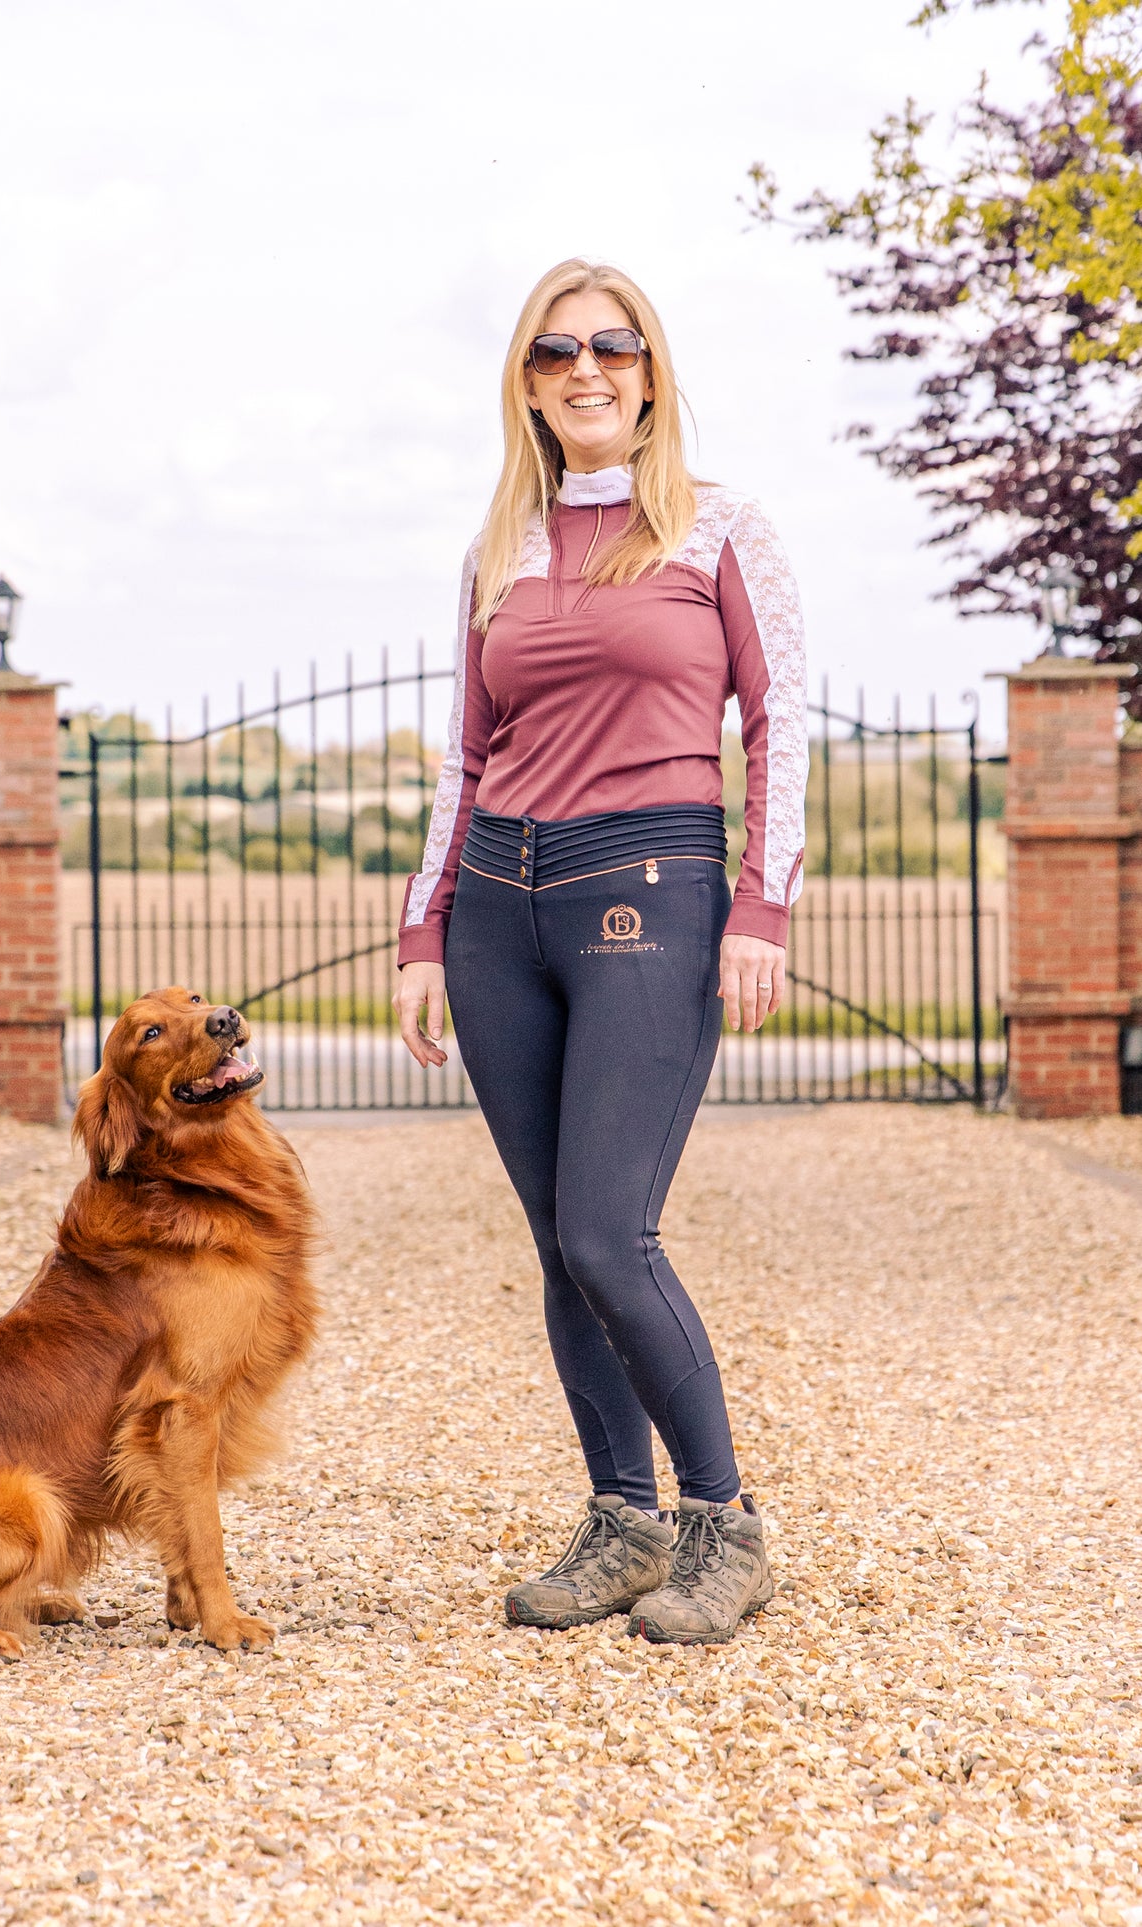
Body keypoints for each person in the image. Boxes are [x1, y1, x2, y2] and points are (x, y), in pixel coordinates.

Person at [392, 258, 807, 1645]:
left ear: (650, 372)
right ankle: (621, 1520)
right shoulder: (492, 554)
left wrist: (762, 905)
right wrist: (421, 929)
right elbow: (463, 757)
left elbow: (781, 725)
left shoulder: (718, 528)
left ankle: (724, 1525)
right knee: (553, 1243)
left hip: (647, 889)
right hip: (499, 910)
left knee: (605, 1232)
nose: (586, 370)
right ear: (522, 383)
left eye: (613, 349)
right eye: (554, 352)